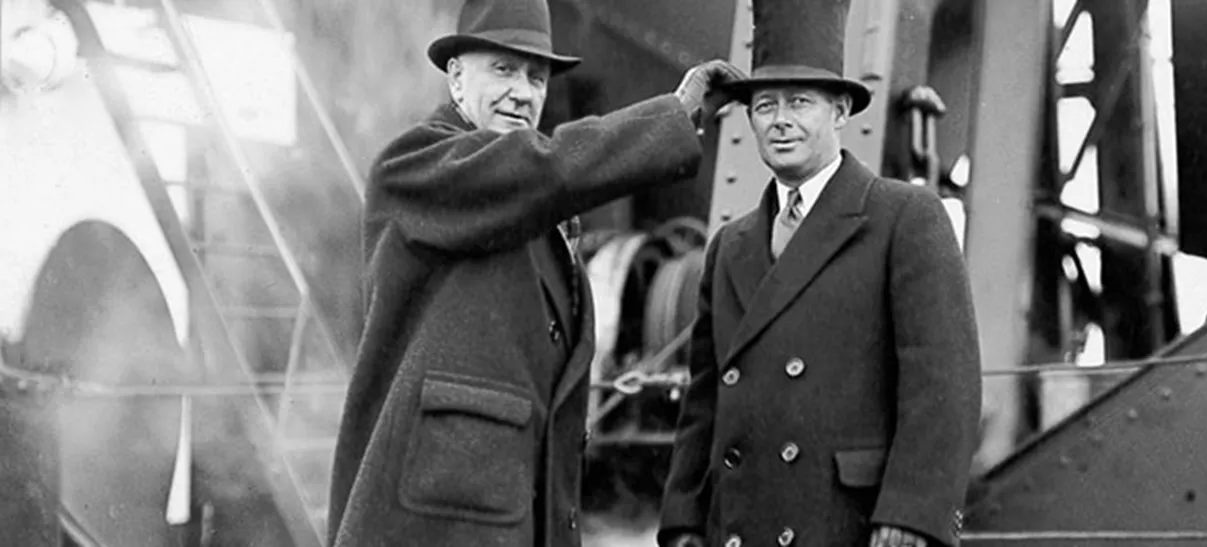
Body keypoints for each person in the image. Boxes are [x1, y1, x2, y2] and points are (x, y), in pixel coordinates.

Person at [325, 0, 744, 544]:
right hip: (431, 526)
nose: (522, 92)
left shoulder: (536, 214)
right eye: (503, 69)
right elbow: (539, 169)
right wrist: (671, 115)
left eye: (536, 76)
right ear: (455, 77)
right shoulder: (414, 169)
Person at [657, 1, 981, 546]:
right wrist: (684, 520)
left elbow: (944, 383)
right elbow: (704, 402)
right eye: (765, 105)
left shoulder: (904, 218)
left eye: (800, 102)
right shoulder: (729, 247)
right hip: (737, 526)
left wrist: (913, 512)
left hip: (848, 524)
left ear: (839, 112)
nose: (780, 120)